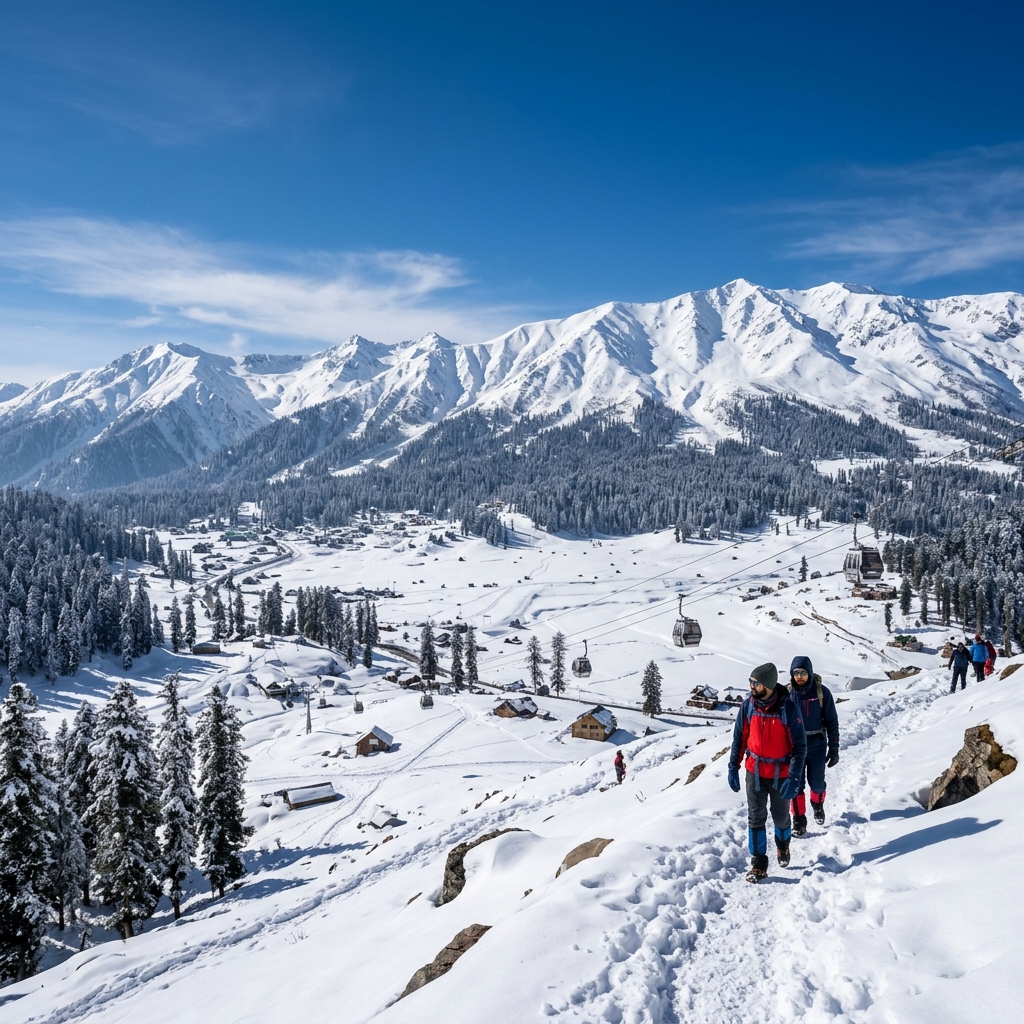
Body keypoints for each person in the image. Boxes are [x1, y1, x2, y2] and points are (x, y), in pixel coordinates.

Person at [727, 662, 806, 882]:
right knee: (755, 818)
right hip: (755, 772)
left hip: (781, 774)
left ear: (768, 685)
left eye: (756, 682)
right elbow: (739, 739)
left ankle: (783, 845)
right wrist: (733, 766)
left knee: (781, 817)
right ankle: (759, 864)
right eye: (751, 681)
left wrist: (794, 776)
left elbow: (800, 747)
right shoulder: (748, 706)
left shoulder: (788, 709)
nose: (751, 686)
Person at [786, 657, 839, 835]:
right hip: (794, 748)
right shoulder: (786, 695)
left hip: (816, 744)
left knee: (816, 783)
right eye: (795, 673)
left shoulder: (822, 693)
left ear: (809, 673)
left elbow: (831, 722)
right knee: (795, 785)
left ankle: (817, 805)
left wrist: (834, 748)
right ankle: (799, 820)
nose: (799, 676)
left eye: (803, 673)